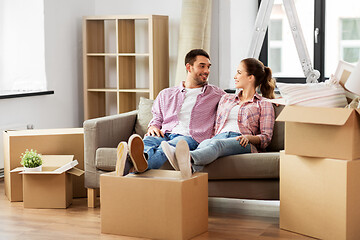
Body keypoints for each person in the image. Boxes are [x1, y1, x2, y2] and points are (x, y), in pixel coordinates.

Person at [116, 49, 226, 176]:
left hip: (191, 137)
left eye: (208, 67)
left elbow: (236, 104)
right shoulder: (166, 94)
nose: (207, 71)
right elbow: (157, 117)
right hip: (165, 132)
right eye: (202, 66)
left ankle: (126, 167)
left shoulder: (216, 94)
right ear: (189, 67)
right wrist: (153, 126)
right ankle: (138, 163)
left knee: (165, 148)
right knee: (148, 141)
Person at [162, 58, 276, 174]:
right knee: (206, 144)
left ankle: (184, 158)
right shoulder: (226, 98)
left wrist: (249, 138)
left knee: (217, 144)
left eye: (239, 72)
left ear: (250, 77)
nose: (235, 76)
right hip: (219, 136)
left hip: (242, 141)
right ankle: (190, 168)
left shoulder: (264, 103)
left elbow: (266, 137)